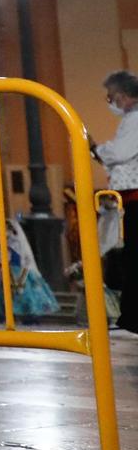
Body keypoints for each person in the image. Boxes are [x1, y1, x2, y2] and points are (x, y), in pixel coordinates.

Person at [93, 68, 138, 332]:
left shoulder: (134, 119)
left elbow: (120, 152)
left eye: (111, 97)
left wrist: (97, 150)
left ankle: (132, 318)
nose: (111, 102)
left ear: (122, 96)